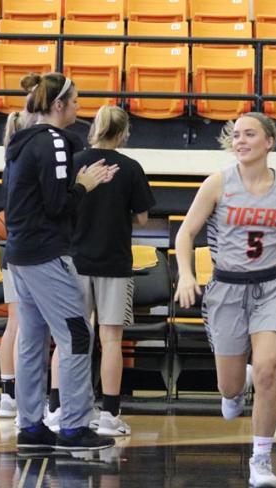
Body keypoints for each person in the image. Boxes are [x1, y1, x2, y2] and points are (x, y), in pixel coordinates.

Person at [174, 112, 276, 488]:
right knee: (229, 388)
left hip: (274, 287)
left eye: (249, 134)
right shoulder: (217, 184)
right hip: (227, 288)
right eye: (236, 135)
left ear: (269, 142)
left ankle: (261, 458)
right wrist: (185, 273)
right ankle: (236, 385)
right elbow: (185, 234)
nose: (240, 140)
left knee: (268, 369)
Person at [3, 71, 118, 451]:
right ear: (58, 105)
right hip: (45, 253)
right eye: (76, 101)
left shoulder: (21, 139)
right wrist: (83, 186)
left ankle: (31, 426)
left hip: (20, 254)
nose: (79, 108)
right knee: (76, 334)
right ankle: (73, 427)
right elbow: (57, 205)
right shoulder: (52, 141)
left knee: (33, 340)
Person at [72, 105, 153, 436]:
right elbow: (144, 217)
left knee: (70, 339)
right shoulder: (131, 167)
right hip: (114, 262)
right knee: (111, 340)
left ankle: (60, 406)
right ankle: (109, 414)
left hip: (74, 260)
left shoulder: (76, 162)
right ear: (122, 133)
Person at [0, 110, 37, 419]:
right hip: (27, 249)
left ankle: (7, 395)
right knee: (25, 323)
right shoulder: (28, 161)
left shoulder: (9, 161)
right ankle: (21, 395)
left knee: (15, 321)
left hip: (10, 247)